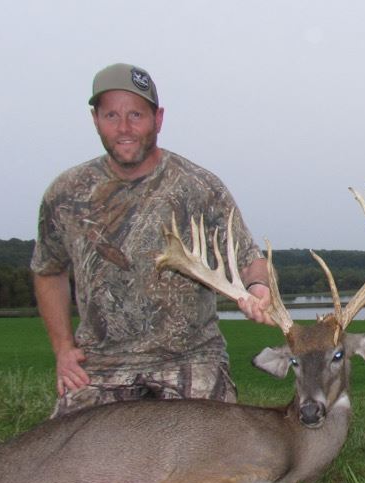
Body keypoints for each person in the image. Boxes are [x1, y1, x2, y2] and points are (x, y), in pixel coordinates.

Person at [32, 63, 274, 418]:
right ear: (95, 120)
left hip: (190, 360)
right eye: (111, 115)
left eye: (136, 115)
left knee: (213, 448)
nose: (124, 128)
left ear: (157, 119)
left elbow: (250, 260)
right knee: (66, 451)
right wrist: (63, 349)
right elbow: (48, 270)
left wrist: (258, 288)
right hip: (101, 365)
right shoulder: (67, 193)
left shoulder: (198, 187)